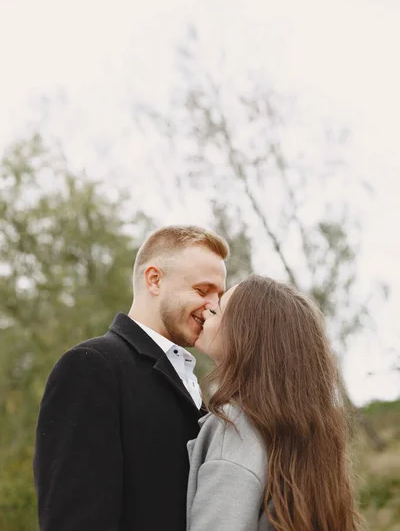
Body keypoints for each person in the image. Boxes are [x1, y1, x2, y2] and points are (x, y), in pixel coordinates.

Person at [33, 225, 228, 531]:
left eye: (219, 294)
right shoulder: (92, 366)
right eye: (202, 291)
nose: (214, 306)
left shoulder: (189, 379)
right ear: (154, 280)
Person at [187, 275, 361, 531]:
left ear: (245, 335)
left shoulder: (233, 427)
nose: (206, 309)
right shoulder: (307, 435)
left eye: (217, 310)